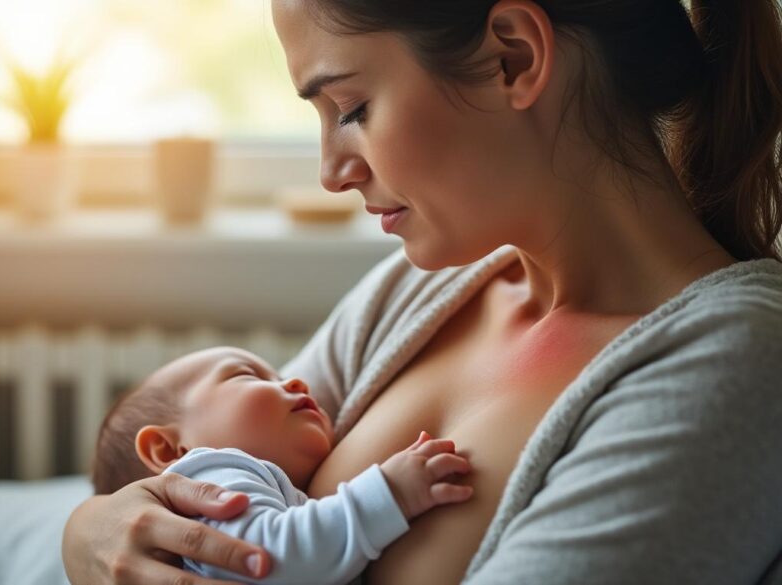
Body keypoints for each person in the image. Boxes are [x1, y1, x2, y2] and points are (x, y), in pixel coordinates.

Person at [63, 1, 782, 583]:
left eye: (351, 108)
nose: (331, 173)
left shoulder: (736, 363)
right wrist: (87, 530)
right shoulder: (414, 295)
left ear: (513, 57)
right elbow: (184, 475)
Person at [89, 345, 474, 583]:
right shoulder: (207, 475)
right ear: (168, 449)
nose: (296, 383)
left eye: (280, 375)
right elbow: (269, 559)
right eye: (246, 375)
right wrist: (389, 494)